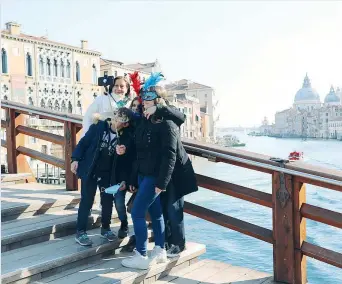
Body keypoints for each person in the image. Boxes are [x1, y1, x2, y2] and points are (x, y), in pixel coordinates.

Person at [121, 73, 181, 270]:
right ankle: (159, 250)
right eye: (143, 97)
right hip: (143, 174)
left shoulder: (167, 122)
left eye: (149, 97)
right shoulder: (143, 120)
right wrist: (133, 178)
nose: (144, 100)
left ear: (158, 99)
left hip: (155, 176)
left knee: (138, 213)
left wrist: (161, 184)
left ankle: (141, 255)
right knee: (155, 213)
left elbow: (170, 155)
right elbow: (138, 150)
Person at [71, 108, 135, 246]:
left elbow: (126, 160)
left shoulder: (124, 138)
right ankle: (80, 232)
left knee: (107, 200)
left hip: (108, 174)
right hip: (91, 170)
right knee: (87, 200)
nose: (117, 121)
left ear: (125, 124)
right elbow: (84, 143)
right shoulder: (98, 127)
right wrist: (75, 159)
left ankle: (105, 228)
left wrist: (122, 152)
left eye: (122, 120)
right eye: (117, 117)